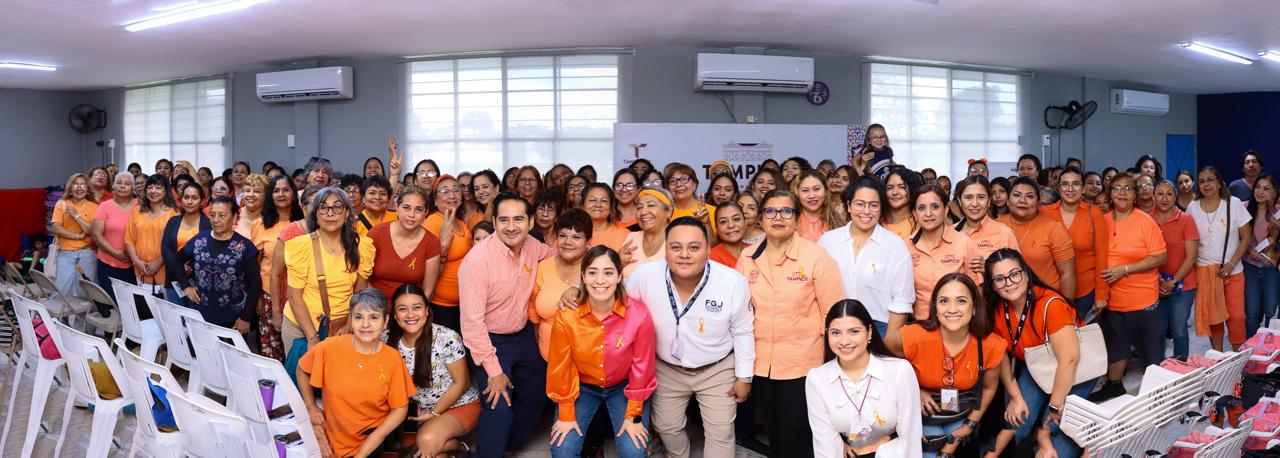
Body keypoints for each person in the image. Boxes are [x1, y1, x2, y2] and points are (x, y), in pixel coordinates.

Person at [623, 216, 755, 458]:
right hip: (666, 367)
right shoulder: (644, 276)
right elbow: (618, 304)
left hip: (717, 368)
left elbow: (743, 330)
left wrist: (744, 377)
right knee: (666, 426)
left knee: (721, 431)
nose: (684, 254)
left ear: (707, 249)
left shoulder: (732, 282)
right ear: (666, 249)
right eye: (676, 247)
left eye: (694, 247)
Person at [736, 189, 844, 457]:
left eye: (786, 211)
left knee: (794, 436)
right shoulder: (747, 257)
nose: (778, 217)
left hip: (803, 365)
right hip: (761, 364)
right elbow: (739, 312)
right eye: (770, 211)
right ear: (761, 218)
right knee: (775, 431)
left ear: (797, 219)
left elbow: (831, 315)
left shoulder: (815, 257)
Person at [457, 192, 556, 458]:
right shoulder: (478, 261)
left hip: (522, 336)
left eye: (518, 219)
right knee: (498, 403)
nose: (511, 226)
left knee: (537, 393)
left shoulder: (533, 246)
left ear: (531, 221)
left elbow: (560, 256)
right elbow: (472, 325)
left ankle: (509, 445)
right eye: (504, 220)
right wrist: (493, 370)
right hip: (489, 340)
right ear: (494, 221)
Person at [547, 246, 657, 458]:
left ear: (619, 276)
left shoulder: (639, 313)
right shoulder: (566, 316)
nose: (600, 280)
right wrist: (566, 414)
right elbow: (561, 367)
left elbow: (642, 368)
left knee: (634, 451)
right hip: (581, 387)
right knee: (563, 450)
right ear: (583, 277)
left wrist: (634, 414)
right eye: (592, 272)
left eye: (608, 272)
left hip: (625, 388)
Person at [984, 248, 1092, 458]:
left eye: (1014, 274)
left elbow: (1069, 360)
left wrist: (1051, 414)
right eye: (999, 279)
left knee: (1058, 448)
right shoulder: (996, 309)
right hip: (1037, 366)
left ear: (1026, 273)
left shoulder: (1051, 304)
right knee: (1018, 422)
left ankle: (1046, 437)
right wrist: (1015, 397)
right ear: (993, 286)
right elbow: (1002, 355)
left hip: (1076, 371)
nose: (1009, 283)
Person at [891, 274, 1004, 458]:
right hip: (922, 414)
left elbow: (989, 387)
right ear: (935, 307)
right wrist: (915, 390)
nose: (952, 309)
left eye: (961, 301)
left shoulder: (990, 345)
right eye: (944, 301)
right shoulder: (913, 337)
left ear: (974, 307)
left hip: (961, 413)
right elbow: (883, 363)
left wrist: (970, 425)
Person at [298, 289, 413, 458]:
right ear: (350, 320)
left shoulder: (392, 359)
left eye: (374, 317)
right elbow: (302, 369)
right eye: (358, 317)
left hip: (370, 442)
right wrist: (310, 407)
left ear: (386, 321)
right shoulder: (330, 347)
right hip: (332, 439)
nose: (365, 324)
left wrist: (366, 449)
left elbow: (400, 409)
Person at [1089, 174, 1168, 402]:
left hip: (1142, 300)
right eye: (1117, 188)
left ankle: (1157, 395)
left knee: (1149, 352)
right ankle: (1114, 386)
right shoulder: (1102, 220)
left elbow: (1161, 257)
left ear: (1135, 195)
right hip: (1112, 301)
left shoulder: (1145, 221)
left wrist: (1125, 269)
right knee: (1116, 347)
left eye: (1128, 189)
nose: (1122, 193)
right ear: (1110, 194)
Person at [806, 299, 921, 457]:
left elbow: (910, 439)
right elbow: (826, 446)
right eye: (835, 333)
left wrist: (872, 450)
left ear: (869, 332)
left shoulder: (900, 371)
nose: (844, 341)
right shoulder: (816, 379)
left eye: (854, 331)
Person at [388, 284, 480, 457]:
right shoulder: (387, 339)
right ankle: (456, 450)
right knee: (431, 453)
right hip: (418, 410)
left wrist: (433, 413)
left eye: (417, 308)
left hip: (459, 403)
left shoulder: (446, 337)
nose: (410, 315)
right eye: (402, 309)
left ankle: (460, 448)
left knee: (426, 441)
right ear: (394, 314)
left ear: (427, 310)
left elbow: (461, 383)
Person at [818, 175, 914, 337]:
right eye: (860, 204)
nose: (866, 211)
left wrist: (889, 343)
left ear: (881, 208)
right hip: (836, 326)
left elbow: (902, 301)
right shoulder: (828, 241)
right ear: (849, 206)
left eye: (874, 205)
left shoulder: (894, 245)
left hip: (880, 327)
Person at [283, 187, 375, 349]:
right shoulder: (301, 246)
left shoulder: (362, 246)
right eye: (324, 207)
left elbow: (359, 293)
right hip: (301, 326)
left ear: (347, 213)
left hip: (342, 327)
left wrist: (348, 325)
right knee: (301, 373)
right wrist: (312, 338)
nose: (330, 213)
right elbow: (294, 296)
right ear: (316, 214)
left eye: (337, 207)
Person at [1187, 166, 1252, 351]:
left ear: (1219, 183)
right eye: (1202, 181)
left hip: (1233, 270)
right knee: (1214, 319)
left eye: (1210, 180)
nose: (1206, 184)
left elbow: (1246, 237)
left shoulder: (1233, 203)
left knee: (1237, 317)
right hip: (1205, 271)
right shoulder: (1193, 208)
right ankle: (1218, 359)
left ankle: (1237, 360)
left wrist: (1231, 264)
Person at [172, 197, 261, 331]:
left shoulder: (243, 246)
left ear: (235, 217)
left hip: (234, 319)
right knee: (202, 350)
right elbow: (176, 261)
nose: (215, 220)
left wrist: (246, 317)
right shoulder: (199, 239)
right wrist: (185, 286)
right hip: (201, 315)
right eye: (212, 215)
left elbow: (255, 283)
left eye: (222, 215)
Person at [903, 184, 982, 321]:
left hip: (957, 320)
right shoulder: (905, 246)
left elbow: (976, 289)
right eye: (921, 208)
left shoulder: (963, 242)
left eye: (935, 207)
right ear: (915, 214)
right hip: (919, 323)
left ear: (945, 210)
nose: (928, 214)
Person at [1044, 167, 1110, 320]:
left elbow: (1101, 256)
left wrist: (1101, 293)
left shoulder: (1094, 212)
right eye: (1065, 184)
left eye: (1076, 184)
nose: (1070, 189)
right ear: (1058, 188)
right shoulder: (1045, 213)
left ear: (1083, 188)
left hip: (1086, 291)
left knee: (1085, 341)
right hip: (1051, 290)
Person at [1000, 177, 1077, 300]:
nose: (1022, 200)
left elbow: (1067, 274)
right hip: (1004, 300)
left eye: (1030, 196)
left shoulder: (1053, 228)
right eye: (1017, 195)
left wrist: (1067, 307)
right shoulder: (996, 226)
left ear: (1038, 203)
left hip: (1045, 299)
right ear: (1008, 201)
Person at [253, 174, 303, 360]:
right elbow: (256, 265)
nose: (281, 194)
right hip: (269, 295)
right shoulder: (261, 224)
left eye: (286, 190)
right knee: (271, 351)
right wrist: (258, 297)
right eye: (276, 190)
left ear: (294, 193)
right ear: (270, 195)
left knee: (295, 350)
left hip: (300, 296)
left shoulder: (305, 223)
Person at [531, 210, 592, 359]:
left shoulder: (596, 269)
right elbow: (533, 308)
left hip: (586, 361)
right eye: (563, 235)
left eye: (576, 237)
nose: (568, 242)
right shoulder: (543, 267)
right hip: (547, 358)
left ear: (588, 241)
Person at [368, 186, 442, 303]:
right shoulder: (376, 234)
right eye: (406, 208)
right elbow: (363, 279)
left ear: (426, 213)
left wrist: (410, 312)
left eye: (418, 210)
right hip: (374, 306)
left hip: (410, 310)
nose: (411, 215)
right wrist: (376, 307)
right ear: (397, 208)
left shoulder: (431, 242)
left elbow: (428, 291)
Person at [1154, 180, 1200, 359]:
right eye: (1160, 193)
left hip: (1183, 286)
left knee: (1179, 330)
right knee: (1158, 331)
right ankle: (1157, 369)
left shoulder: (1186, 220)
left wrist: (1172, 282)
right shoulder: (1146, 219)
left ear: (1175, 196)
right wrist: (1159, 281)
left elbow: (1191, 257)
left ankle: (1180, 369)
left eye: (1169, 194)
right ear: (1153, 196)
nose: (1164, 198)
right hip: (1154, 284)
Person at [423, 175, 471, 332]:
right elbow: (425, 269)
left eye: (456, 190)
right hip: (440, 306)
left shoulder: (462, 223)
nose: (452, 195)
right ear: (435, 200)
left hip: (463, 306)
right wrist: (443, 247)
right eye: (445, 191)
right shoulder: (432, 222)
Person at [90, 172, 138, 311]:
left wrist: (133, 255)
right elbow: (96, 234)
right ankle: (110, 333)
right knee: (110, 304)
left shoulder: (140, 206)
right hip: (107, 263)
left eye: (127, 183)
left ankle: (129, 332)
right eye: (119, 183)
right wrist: (116, 254)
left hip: (134, 265)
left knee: (132, 306)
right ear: (113, 186)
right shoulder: (104, 206)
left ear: (133, 188)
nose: (123, 186)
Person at [125, 174, 176, 303]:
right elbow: (129, 239)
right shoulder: (137, 211)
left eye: (158, 187)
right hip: (140, 271)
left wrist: (158, 262)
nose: (153, 191)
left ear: (166, 191)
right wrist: (136, 261)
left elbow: (174, 245)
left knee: (164, 316)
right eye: (150, 187)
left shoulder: (174, 214)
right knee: (144, 314)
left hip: (164, 274)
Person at [50, 173, 99, 298]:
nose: (79, 188)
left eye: (82, 185)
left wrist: (76, 215)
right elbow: (56, 228)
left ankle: (81, 318)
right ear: (70, 188)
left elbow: (91, 230)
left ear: (88, 189)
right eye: (76, 185)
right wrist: (77, 236)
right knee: (60, 292)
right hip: (65, 254)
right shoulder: (62, 204)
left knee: (86, 293)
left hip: (87, 254)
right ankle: (60, 318)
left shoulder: (95, 207)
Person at [954, 175, 1019, 267]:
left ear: (989, 201)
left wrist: (990, 269)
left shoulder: (1004, 233)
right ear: (960, 201)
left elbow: (1016, 271)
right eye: (968, 197)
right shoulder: (950, 233)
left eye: (981, 197)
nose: (975, 204)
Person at [162, 182, 210, 306]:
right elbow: (165, 249)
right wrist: (179, 267)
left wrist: (190, 267)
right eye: (186, 197)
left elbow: (208, 252)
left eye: (194, 198)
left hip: (197, 281)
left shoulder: (208, 224)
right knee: (175, 322)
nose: (189, 201)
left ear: (202, 200)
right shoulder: (173, 221)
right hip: (173, 279)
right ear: (181, 199)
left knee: (194, 321)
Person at [1245, 174, 1280, 336]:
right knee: (1251, 314)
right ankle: (1251, 350)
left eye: (1266, 188)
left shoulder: (1278, 214)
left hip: (1271, 269)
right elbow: (1235, 239)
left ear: (1275, 192)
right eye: (1258, 187)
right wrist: (1247, 249)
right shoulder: (1244, 208)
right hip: (1249, 268)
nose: (1260, 192)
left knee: (1270, 310)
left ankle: (1268, 349)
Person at [620, 188, 674, 277]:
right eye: (639, 207)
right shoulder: (632, 237)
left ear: (668, 211)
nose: (643, 212)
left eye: (651, 205)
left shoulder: (678, 240)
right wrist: (618, 263)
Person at [792, 170, 844, 242]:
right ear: (797, 194)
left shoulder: (836, 220)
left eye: (816, 189)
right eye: (805, 190)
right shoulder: (790, 220)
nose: (811, 196)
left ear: (825, 191)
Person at [665, 163, 715, 232]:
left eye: (684, 179)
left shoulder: (712, 211)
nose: (678, 184)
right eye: (672, 181)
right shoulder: (664, 213)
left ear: (694, 185)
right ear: (667, 188)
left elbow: (713, 242)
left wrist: (706, 224)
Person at [582, 183, 628, 252]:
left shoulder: (625, 235)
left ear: (611, 208)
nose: (598, 205)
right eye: (592, 200)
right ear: (582, 205)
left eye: (604, 201)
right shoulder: (569, 233)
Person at [883, 167, 921, 238]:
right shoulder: (877, 221)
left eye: (902, 187)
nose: (894, 192)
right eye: (890, 188)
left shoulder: (920, 222)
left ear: (912, 190)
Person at [709, 201, 748, 268]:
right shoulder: (713, 257)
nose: (731, 225)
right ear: (717, 229)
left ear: (745, 223)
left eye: (736, 219)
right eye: (723, 221)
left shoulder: (756, 250)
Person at [233, 174, 266, 239]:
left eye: (256, 191)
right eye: (247, 190)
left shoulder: (272, 217)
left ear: (266, 195)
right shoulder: (234, 214)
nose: (251, 195)